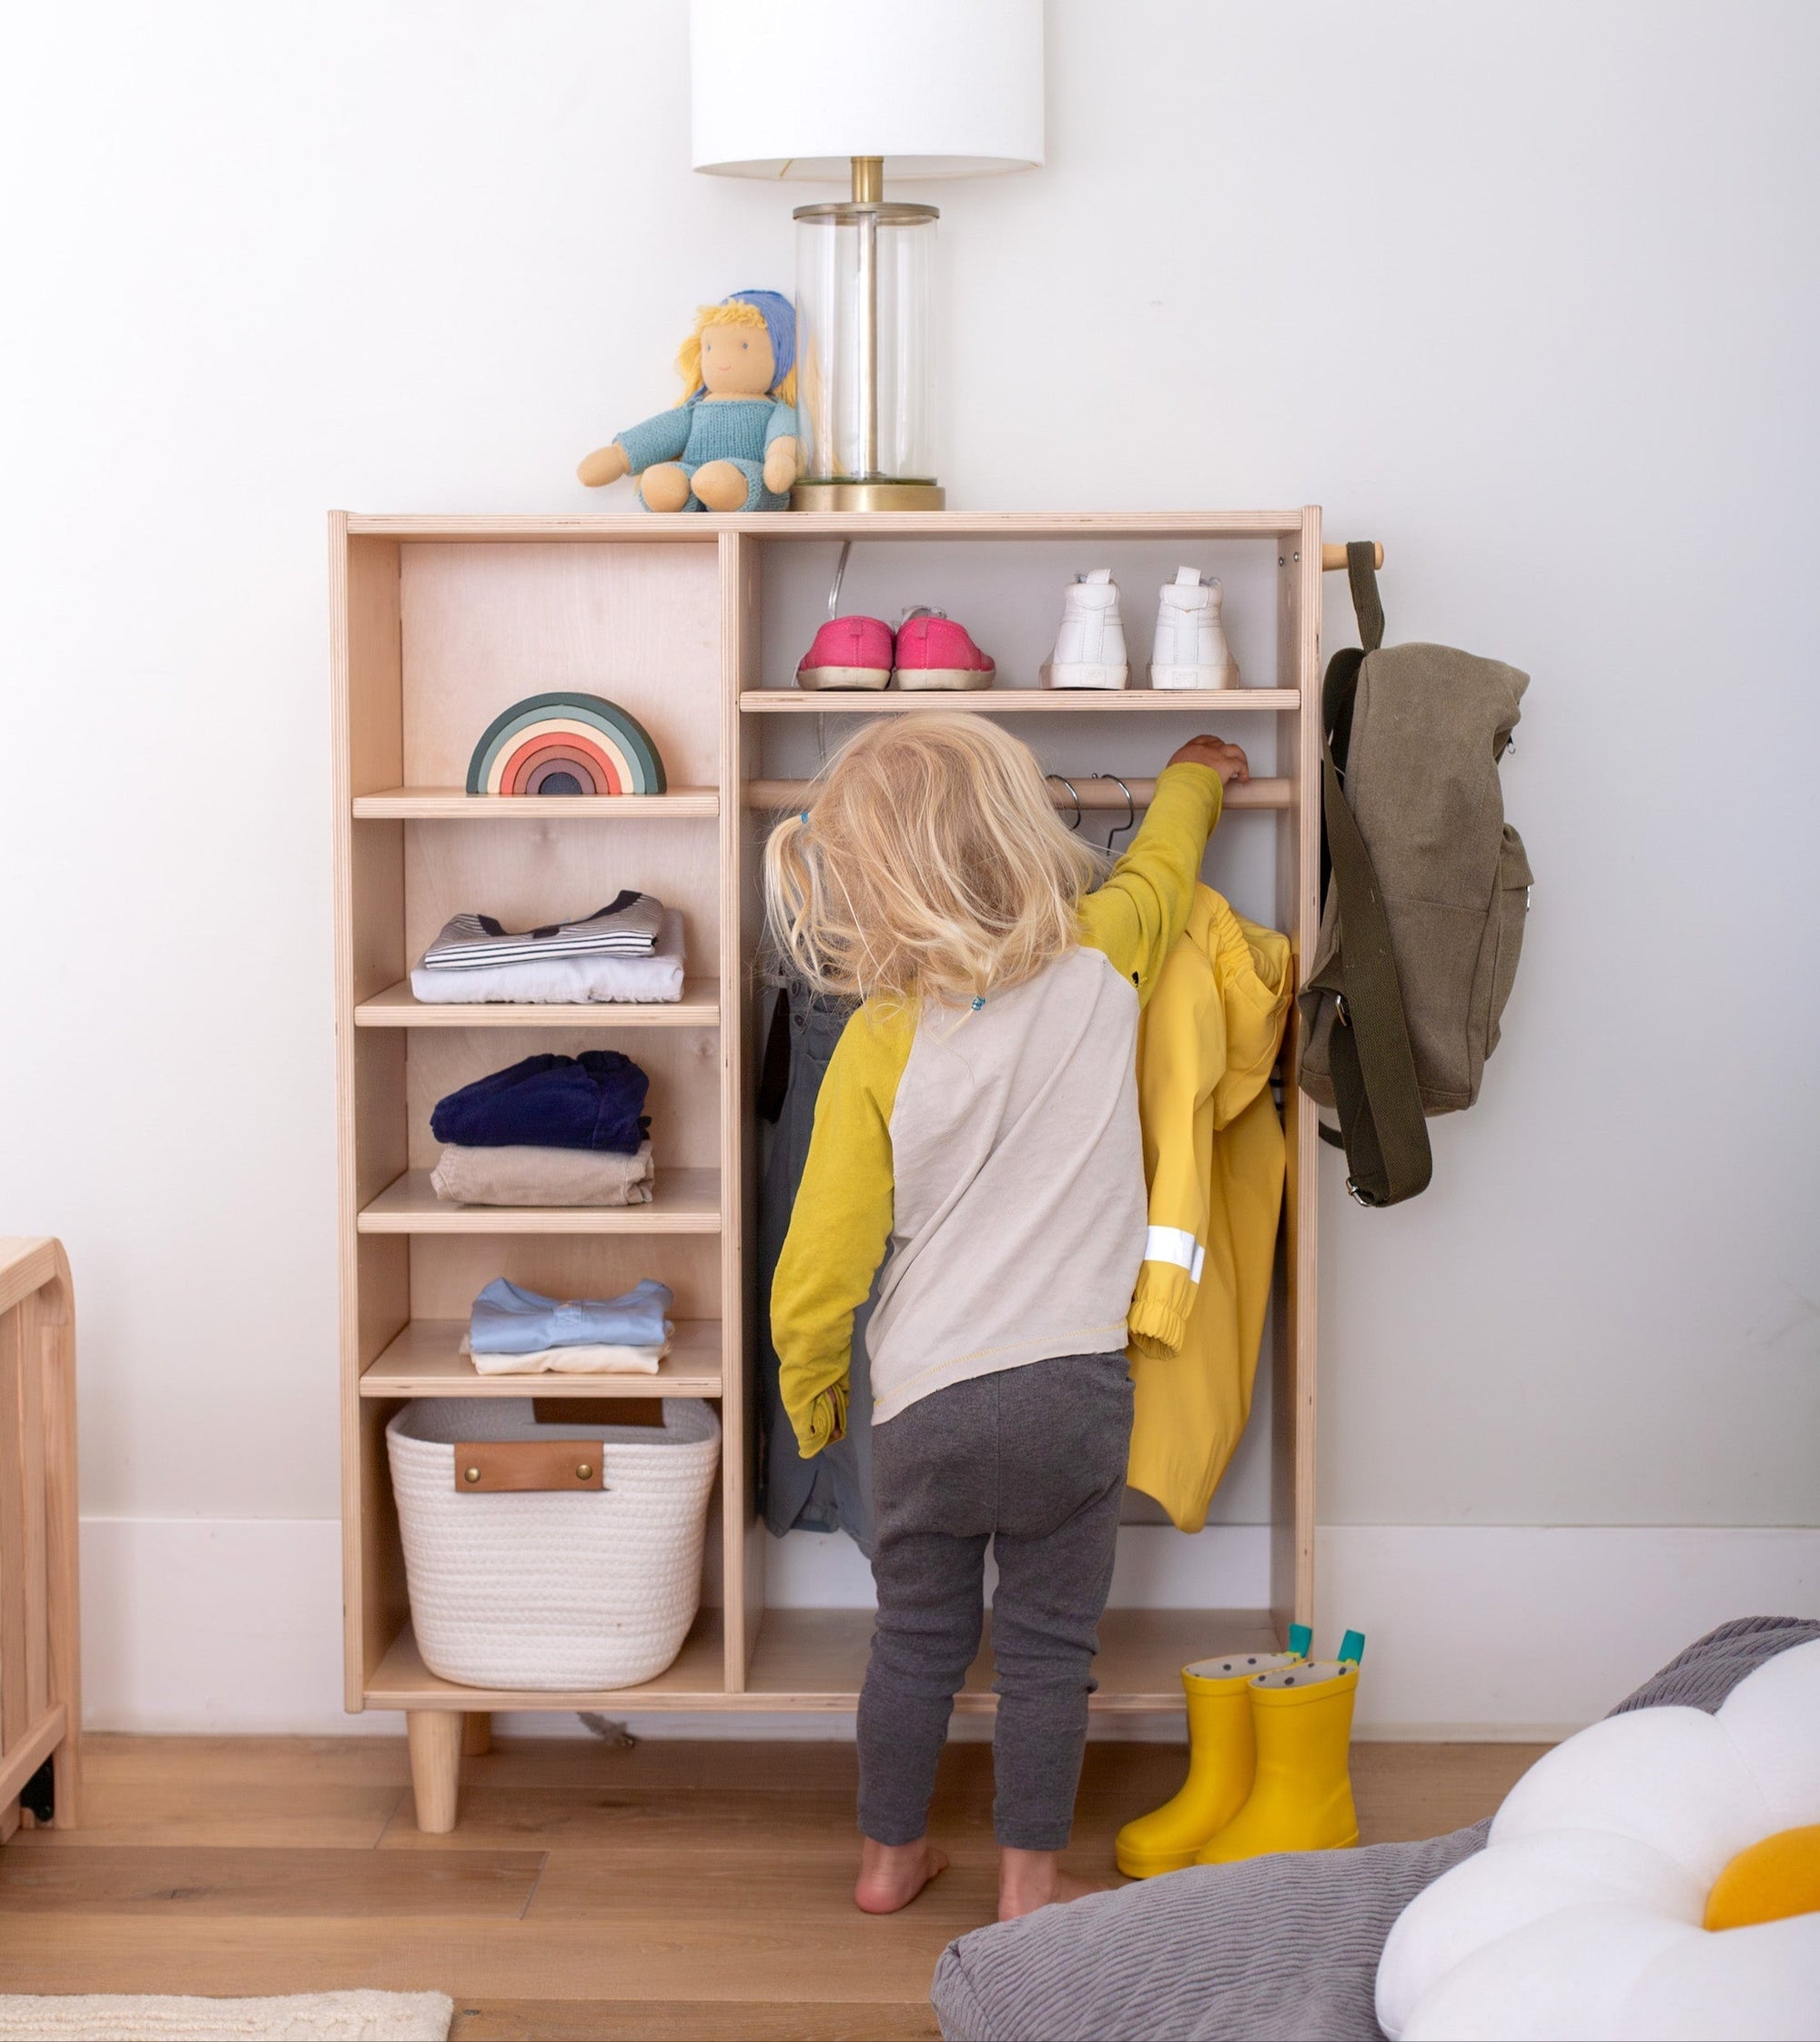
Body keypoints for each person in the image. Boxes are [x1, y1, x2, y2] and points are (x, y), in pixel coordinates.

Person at [764, 713, 1249, 1923]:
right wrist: (1192, 778)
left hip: (926, 1402)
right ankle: (1029, 1882)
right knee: (1046, 1653)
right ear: (1029, 836)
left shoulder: (879, 1041)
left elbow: (822, 1257)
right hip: (1070, 1391)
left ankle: (888, 1860)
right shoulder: (1103, 956)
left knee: (915, 1643)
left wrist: (813, 1390)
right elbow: (1159, 870)